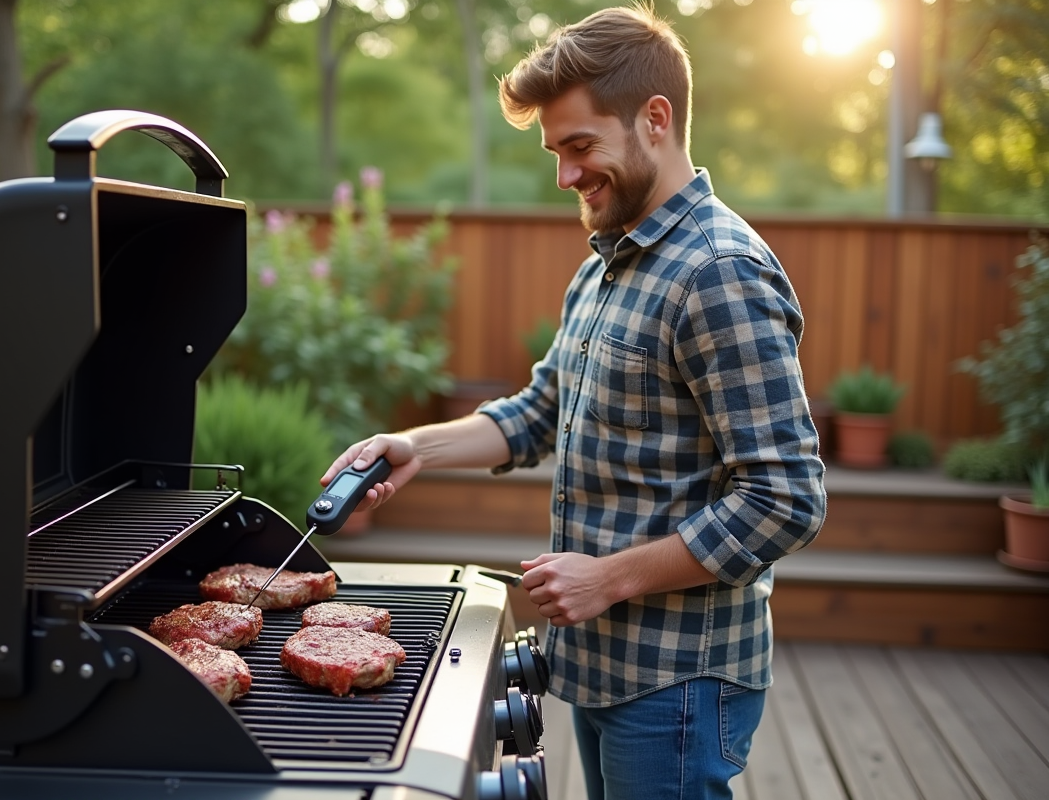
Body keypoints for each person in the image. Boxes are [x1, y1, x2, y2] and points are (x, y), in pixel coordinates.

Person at [320, 4, 826, 798]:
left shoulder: (718, 272)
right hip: (598, 664)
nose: (565, 176)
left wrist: (612, 577)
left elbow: (786, 498)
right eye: (556, 152)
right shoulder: (604, 268)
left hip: (676, 682)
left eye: (581, 147)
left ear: (655, 120)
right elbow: (539, 411)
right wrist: (416, 446)